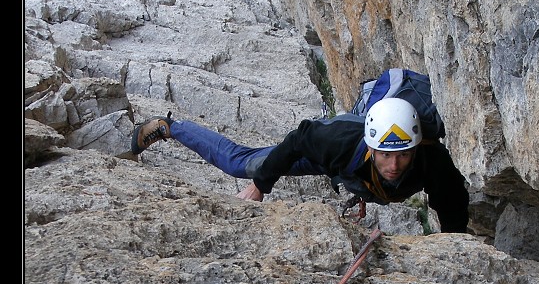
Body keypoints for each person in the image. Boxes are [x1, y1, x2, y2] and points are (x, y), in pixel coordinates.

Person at [130, 97, 469, 232]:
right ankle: (169, 127)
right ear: (370, 146)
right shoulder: (337, 141)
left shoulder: (432, 160)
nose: (394, 165)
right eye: (385, 155)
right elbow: (298, 139)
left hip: (355, 174)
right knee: (240, 164)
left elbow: (453, 204)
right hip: (327, 161)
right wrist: (261, 184)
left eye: (402, 156)